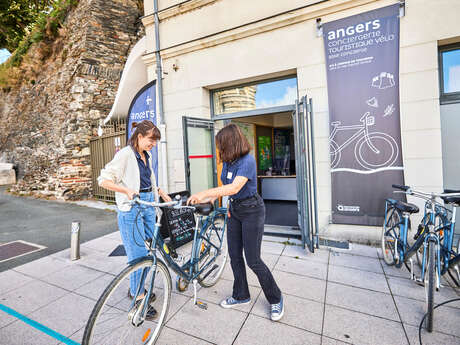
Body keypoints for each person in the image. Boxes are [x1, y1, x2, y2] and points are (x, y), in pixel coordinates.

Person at [187, 124, 284, 321]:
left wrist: (205, 192)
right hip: (235, 210)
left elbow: (234, 187)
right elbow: (227, 188)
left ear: (230, 143)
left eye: (221, 145)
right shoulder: (229, 161)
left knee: (253, 260)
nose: (219, 149)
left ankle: (276, 298)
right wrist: (213, 199)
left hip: (252, 211)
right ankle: (241, 295)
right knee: (234, 255)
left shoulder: (247, 160)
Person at [98, 119, 172, 319]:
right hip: (132, 209)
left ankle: (136, 288)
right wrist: (125, 190)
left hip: (148, 205)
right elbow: (103, 180)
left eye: (155, 141)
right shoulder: (125, 155)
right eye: (151, 140)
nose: (153, 145)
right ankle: (138, 298)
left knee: (152, 249)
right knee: (138, 254)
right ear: (139, 137)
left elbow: (144, 181)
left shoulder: (145, 155)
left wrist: (160, 191)